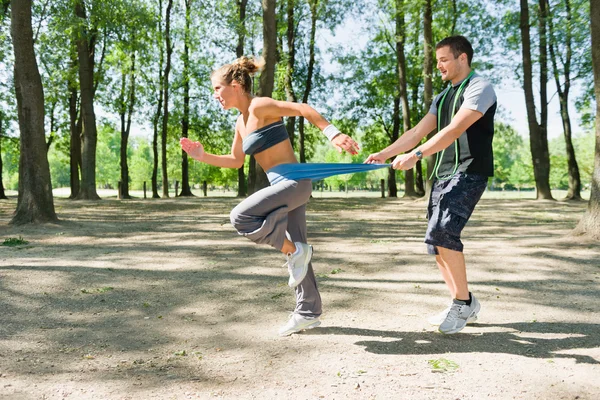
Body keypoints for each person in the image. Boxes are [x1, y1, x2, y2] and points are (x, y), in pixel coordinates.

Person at [180, 56, 360, 336]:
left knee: (240, 217)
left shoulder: (260, 105)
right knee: (300, 249)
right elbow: (235, 160)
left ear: (236, 85)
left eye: (217, 88)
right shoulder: (241, 123)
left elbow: (304, 109)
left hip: (294, 182)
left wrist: (333, 134)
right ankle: (307, 311)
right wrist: (202, 156)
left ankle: (293, 251)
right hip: (283, 185)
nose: (215, 95)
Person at [365, 35, 497, 334]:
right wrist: (385, 153)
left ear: (462, 58)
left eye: (444, 59)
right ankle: (461, 301)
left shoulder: (480, 88)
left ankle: (462, 304)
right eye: (437, 60)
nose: (438, 66)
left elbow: (455, 128)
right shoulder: (442, 96)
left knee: (443, 232)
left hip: (469, 171)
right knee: (435, 242)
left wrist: (416, 155)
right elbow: (417, 131)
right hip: (442, 174)